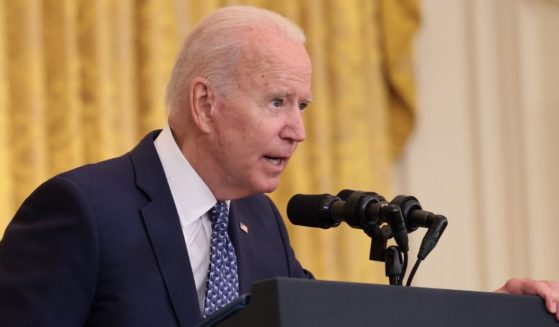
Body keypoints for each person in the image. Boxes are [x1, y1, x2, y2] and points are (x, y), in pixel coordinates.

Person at [0, 5, 557, 326]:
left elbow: (336, 323)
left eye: (302, 105)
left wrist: (494, 315)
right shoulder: (84, 211)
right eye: (277, 102)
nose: (298, 130)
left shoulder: (260, 220)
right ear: (205, 104)